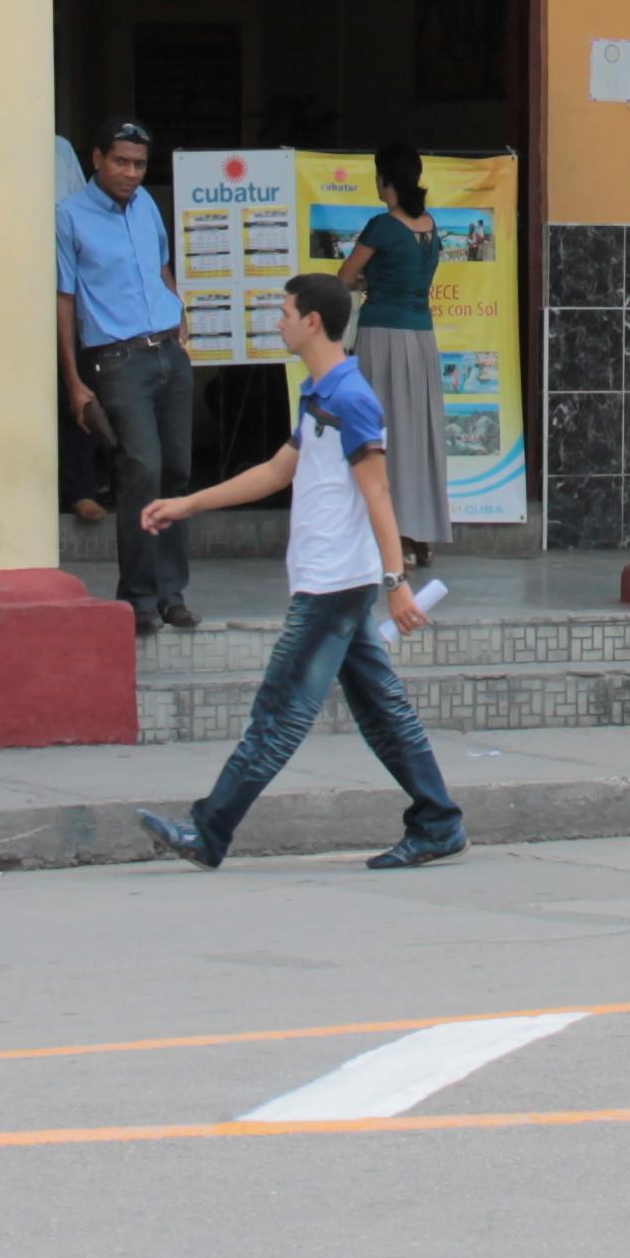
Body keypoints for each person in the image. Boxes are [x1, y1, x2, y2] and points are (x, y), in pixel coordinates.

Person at [136, 273, 466, 873]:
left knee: (279, 713)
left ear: (313, 321)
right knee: (383, 711)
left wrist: (397, 586)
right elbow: (275, 471)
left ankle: (208, 832)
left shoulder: (352, 398)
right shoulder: (319, 393)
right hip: (331, 580)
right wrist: (185, 505)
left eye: (285, 312)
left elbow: (380, 495)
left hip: (335, 587)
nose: (278, 321)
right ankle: (439, 822)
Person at [60, 119, 196, 637]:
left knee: (178, 472)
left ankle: (171, 593)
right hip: (116, 359)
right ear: (97, 158)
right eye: (121, 161)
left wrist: (178, 315)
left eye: (139, 164)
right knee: (142, 468)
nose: (131, 174)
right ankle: (138, 596)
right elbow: (65, 300)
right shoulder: (68, 217)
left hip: (167, 350)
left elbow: (161, 267)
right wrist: (73, 380)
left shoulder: (146, 208)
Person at [333, 150, 456, 555]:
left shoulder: (382, 226)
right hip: (422, 338)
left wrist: (369, 281)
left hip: (383, 335)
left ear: (386, 180)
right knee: (417, 433)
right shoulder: (430, 226)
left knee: (380, 431)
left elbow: (345, 277)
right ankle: (417, 533)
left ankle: (387, 533)